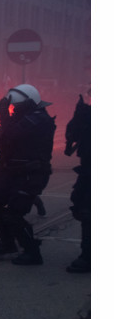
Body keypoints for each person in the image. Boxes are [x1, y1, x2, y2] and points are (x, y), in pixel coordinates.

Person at [0, 84, 56, 265]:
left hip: (31, 173)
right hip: (11, 171)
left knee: (14, 214)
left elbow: (13, 134)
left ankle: (32, 252)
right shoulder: (19, 119)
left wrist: (3, 114)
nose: (13, 110)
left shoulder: (39, 119)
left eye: (16, 106)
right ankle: (8, 244)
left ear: (28, 103)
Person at [64, 91, 90, 273]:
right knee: (83, 209)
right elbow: (72, 134)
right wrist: (79, 115)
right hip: (88, 169)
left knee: (89, 213)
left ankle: (88, 257)